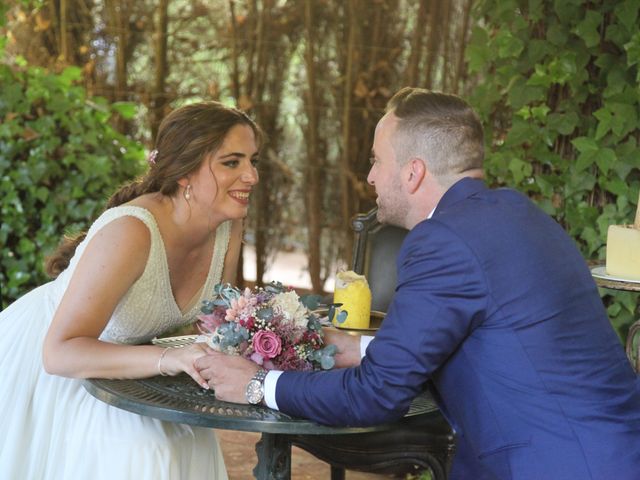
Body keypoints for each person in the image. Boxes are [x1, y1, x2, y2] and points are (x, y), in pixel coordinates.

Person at [195, 87, 640, 479]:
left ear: (413, 173)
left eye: (376, 161)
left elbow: (376, 396)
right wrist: (363, 348)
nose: (370, 176)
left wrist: (257, 384)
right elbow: (493, 333)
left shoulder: (442, 239)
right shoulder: (519, 213)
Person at [0, 101, 261, 479]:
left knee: (192, 438)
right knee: (148, 449)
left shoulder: (227, 224)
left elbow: (217, 325)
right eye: (232, 162)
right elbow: (58, 354)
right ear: (185, 171)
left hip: (124, 369)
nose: (251, 175)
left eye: (253, 160)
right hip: (53, 365)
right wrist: (167, 359)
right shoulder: (131, 232)